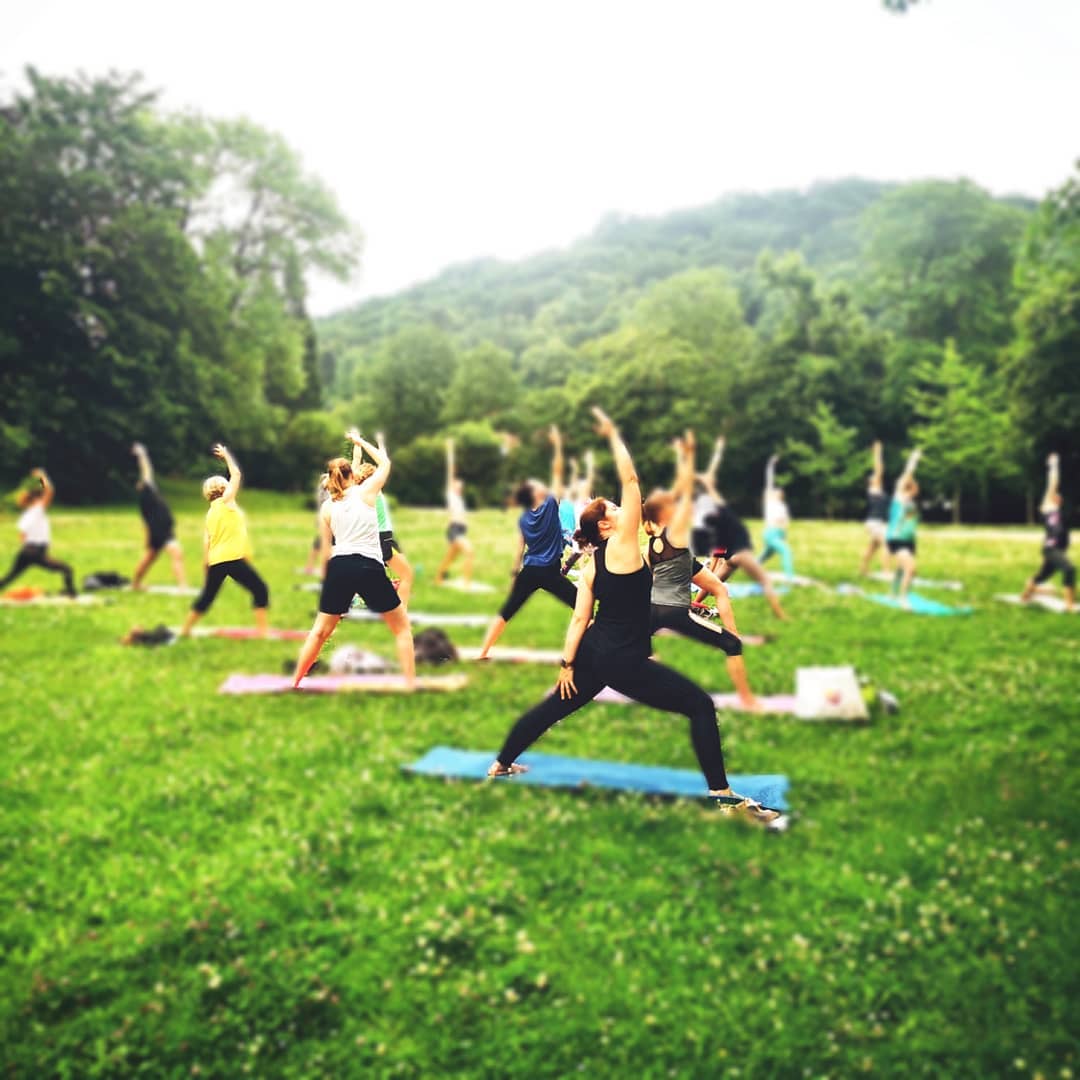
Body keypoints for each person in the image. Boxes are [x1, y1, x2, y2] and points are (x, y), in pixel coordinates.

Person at [487, 407, 779, 825]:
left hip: (593, 650)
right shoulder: (622, 547)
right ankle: (723, 795)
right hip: (620, 659)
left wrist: (568, 662)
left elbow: (578, 621)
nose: (624, 510)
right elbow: (631, 481)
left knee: (554, 707)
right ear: (606, 526)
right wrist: (612, 436)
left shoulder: (591, 565)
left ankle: (500, 764)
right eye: (613, 510)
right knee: (699, 705)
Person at [643, 431, 760, 710]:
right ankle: (747, 699)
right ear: (665, 514)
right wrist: (690, 454)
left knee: (719, 587)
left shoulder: (651, 545)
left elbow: (684, 577)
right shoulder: (675, 534)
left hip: (650, 611)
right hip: (674, 612)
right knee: (733, 646)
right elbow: (684, 489)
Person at [292, 431, 415, 688]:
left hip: (339, 566)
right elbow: (385, 463)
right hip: (368, 565)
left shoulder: (328, 507)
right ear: (352, 475)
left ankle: (294, 682)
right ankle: (410, 684)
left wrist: (329, 584)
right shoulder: (366, 492)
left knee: (319, 632)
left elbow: (326, 550)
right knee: (402, 629)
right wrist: (360, 442)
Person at [476, 426, 578, 658]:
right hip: (550, 572)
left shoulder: (523, 518)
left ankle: (483, 652)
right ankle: (581, 650)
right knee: (582, 607)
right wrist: (558, 445)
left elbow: (520, 548)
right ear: (535, 495)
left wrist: (515, 574)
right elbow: (558, 471)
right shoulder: (550, 505)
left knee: (506, 611)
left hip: (529, 570)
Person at [691, 437, 789, 622]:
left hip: (732, 559)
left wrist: (718, 452)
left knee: (713, 583)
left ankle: (696, 605)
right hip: (739, 556)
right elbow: (715, 557)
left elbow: (711, 485)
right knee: (762, 580)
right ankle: (780, 615)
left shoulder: (718, 514)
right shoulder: (718, 520)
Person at [179, 445, 269, 637]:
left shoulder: (210, 513)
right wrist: (227, 455)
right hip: (233, 559)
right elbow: (236, 474)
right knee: (260, 590)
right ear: (224, 489)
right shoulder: (227, 501)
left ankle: (185, 630)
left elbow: (207, 543)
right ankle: (263, 633)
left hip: (217, 561)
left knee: (207, 597)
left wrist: (206, 567)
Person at [0, 468, 76, 597]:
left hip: (26, 552)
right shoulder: (37, 510)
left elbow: (22, 536)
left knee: (10, 577)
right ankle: (71, 594)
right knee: (67, 569)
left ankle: (70, 593)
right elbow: (49, 490)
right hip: (36, 552)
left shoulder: (27, 514)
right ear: (36, 500)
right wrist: (42, 476)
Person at [1020, 453, 1074, 612]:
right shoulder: (1048, 508)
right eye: (1055, 495)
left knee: (1041, 577)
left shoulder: (1061, 513)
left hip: (1059, 549)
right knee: (1069, 569)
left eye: (1059, 496)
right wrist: (1054, 465)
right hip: (1051, 549)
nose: (1057, 495)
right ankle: (1070, 607)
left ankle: (1025, 596)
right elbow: (1053, 483)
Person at [130, 443, 186, 589]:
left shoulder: (148, 497)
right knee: (177, 554)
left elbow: (145, 522)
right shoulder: (147, 493)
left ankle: (135, 583)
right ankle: (182, 586)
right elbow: (147, 470)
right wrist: (142, 454)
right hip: (162, 532)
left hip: (159, 531)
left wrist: (147, 537)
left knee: (148, 559)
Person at [885, 448, 922, 605]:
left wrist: (912, 481)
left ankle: (893, 594)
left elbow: (914, 486)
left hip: (909, 540)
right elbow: (907, 474)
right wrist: (914, 459)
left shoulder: (911, 502)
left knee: (901, 569)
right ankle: (903, 598)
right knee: (911, 569)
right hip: (896, 539)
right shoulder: (899, 498)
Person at [435, 438, 473, 588]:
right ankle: (467, 583)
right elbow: (450, 472)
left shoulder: (459, 498)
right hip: (455, 530)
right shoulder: (451, 494)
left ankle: (438, 577)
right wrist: (450, 450)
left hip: (461, 529)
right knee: (470, 552)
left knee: (450, 557)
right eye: (457, 483)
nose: (459, 484)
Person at [757, 454, 794, 581]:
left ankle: (753, 568)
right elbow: (769, 480)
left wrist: (783, 535)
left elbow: (785, 522)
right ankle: (790, 578)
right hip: (770, 533)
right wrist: (771, 464)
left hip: (779, 534)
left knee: (766, 554)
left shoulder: (782, 507)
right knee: (786, 551)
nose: (778, 491)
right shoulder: (770, 502)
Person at [859, 440, 892, 578]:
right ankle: (886, 571)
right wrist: (878, 452)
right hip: (874, 522)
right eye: (873, 477)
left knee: (873, 547)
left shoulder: (878, 490)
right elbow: (879, 469)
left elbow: (879, 472)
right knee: (886, 543)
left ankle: (862, 569)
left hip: (877, 522)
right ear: (872, 482)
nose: (876, 477)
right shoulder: (873, 489)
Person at [302, 476, 331, 576]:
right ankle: (318, 568)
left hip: (324, 519)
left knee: (320, 543)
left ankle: (311, 567)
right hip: (324, 520)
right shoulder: (324, 491)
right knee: (323, 543)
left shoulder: (324, 491)